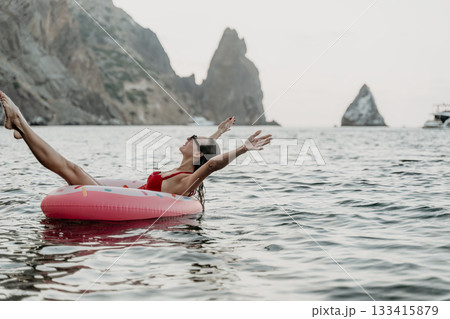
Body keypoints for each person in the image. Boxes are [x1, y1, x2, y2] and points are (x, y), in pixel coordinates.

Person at [0, 90, 272, 209]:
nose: (187, 138)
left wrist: (243, 148)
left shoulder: (188, 180)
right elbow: (205, 153)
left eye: (193, 138)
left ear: (197, 154)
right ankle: (21, 127)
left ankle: (21, 122)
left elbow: (211, 163)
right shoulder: (182, 167)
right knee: (71, 169)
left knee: (72, 169)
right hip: (128, 194)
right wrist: (219, 132)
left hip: (123, 201)